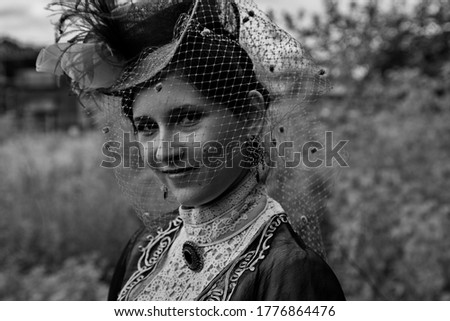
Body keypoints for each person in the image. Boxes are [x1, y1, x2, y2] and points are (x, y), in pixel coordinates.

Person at [36, 0, 345, 301]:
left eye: (187, 118)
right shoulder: (143, 249)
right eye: (147, 127)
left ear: (251, 115)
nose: (164, 151)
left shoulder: (290, 271)